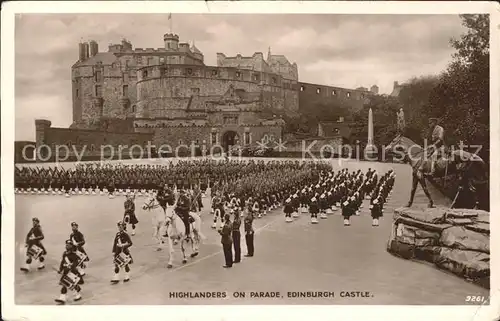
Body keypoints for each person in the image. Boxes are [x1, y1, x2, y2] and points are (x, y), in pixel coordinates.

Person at [55, 239, 85, 304]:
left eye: (68, 245)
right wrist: (60, 269)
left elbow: (75, 264)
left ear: (71, 246)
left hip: (73, 273)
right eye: (66, 245)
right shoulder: (64, 254)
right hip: (66, 272)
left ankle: (77, 294)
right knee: (65, 284)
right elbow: (62, 262)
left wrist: (70, 267)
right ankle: (62, 298)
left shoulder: (74, 255)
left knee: (72, 285)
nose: (67, 246)